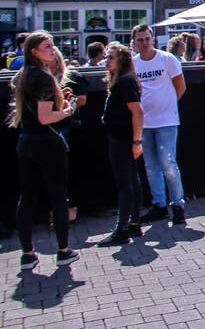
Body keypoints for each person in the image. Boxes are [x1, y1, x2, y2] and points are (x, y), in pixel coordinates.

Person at [8, 31, 80, 270]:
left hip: (25, 143)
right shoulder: (44, 78)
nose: (53, 49)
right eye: (47, 46)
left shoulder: (21, 76)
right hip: (48, 144)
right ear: (34, 52)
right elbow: (45, 116)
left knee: (26, 197)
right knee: (58, 196)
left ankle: (27, 254)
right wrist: (68, 110)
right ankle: (63, 250)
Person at [132, 24, 188, 225]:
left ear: (153, 39)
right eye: (140, 40)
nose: (144, 43)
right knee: (150, 166)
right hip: (144, 122)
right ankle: (159, 205)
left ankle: (178, 204)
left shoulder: (167, 59)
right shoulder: (133, 63)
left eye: (147, 38)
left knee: (168, 163)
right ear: (134, 43)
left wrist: (167, 105)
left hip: (166, 120)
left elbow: (180, 87)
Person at [97, 42, 144, 246]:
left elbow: (137, 112)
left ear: (122, 60)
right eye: (106, 57)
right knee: (132, 180)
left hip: (122, 139)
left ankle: (122, 229)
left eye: (111, 57)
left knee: (125, 183)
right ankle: (133, 224)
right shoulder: (123, 81)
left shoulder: (125, 82)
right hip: (122, 136)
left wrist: (136, 141)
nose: (106, 61)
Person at [46, 49, 88, 226]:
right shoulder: (42, 78)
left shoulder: (72, 76)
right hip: (48, 128)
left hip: (68, 127)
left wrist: (63, 101)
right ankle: (54, 207)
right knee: (51, 172)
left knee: (70, 170)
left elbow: (83, 100)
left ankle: (71, 207)